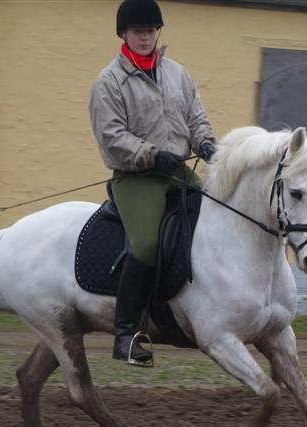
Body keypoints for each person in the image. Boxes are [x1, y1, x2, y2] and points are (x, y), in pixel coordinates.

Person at [89, 0, 216, 365]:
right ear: (123, 34)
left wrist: (205, 141)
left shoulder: (178, 74)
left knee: (218, 219)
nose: (145, 37)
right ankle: (126, 334)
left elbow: (196, 116)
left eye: (150, 30)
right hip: (137, 177)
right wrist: (150, 154)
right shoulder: (109, 82)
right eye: (138, 31)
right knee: (145, 243)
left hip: (177, 172)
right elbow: (112, 135)